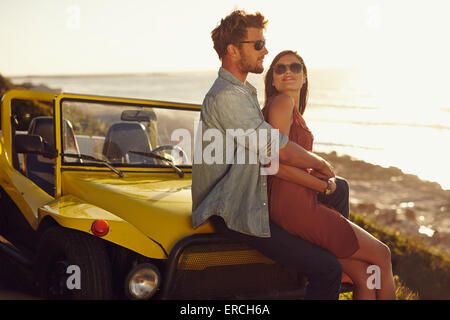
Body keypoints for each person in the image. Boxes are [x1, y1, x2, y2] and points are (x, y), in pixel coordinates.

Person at [192, 10, 344, 300]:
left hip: (247, 195)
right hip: (233, 208)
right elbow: (276, 148)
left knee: (339, 191)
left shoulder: (241, 91)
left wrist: (321, 178)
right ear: (233, 51)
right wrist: (322, 165)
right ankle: (330, 263)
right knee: (327, 270)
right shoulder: (228, 96)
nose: (266, 51)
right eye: (258, 45)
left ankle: (333, 252)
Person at [262, 49, 396, 300]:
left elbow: (285, 161)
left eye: (295, 67)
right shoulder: (282, 102)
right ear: (273, 80)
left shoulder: (291, 111)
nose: (287, 71)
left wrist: (318, 177)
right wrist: (320, 183)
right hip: (296, 210)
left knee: (366, 274)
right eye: (280, 68)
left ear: (304, 77)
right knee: (382, 255)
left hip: (295, 205)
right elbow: (274, 161)